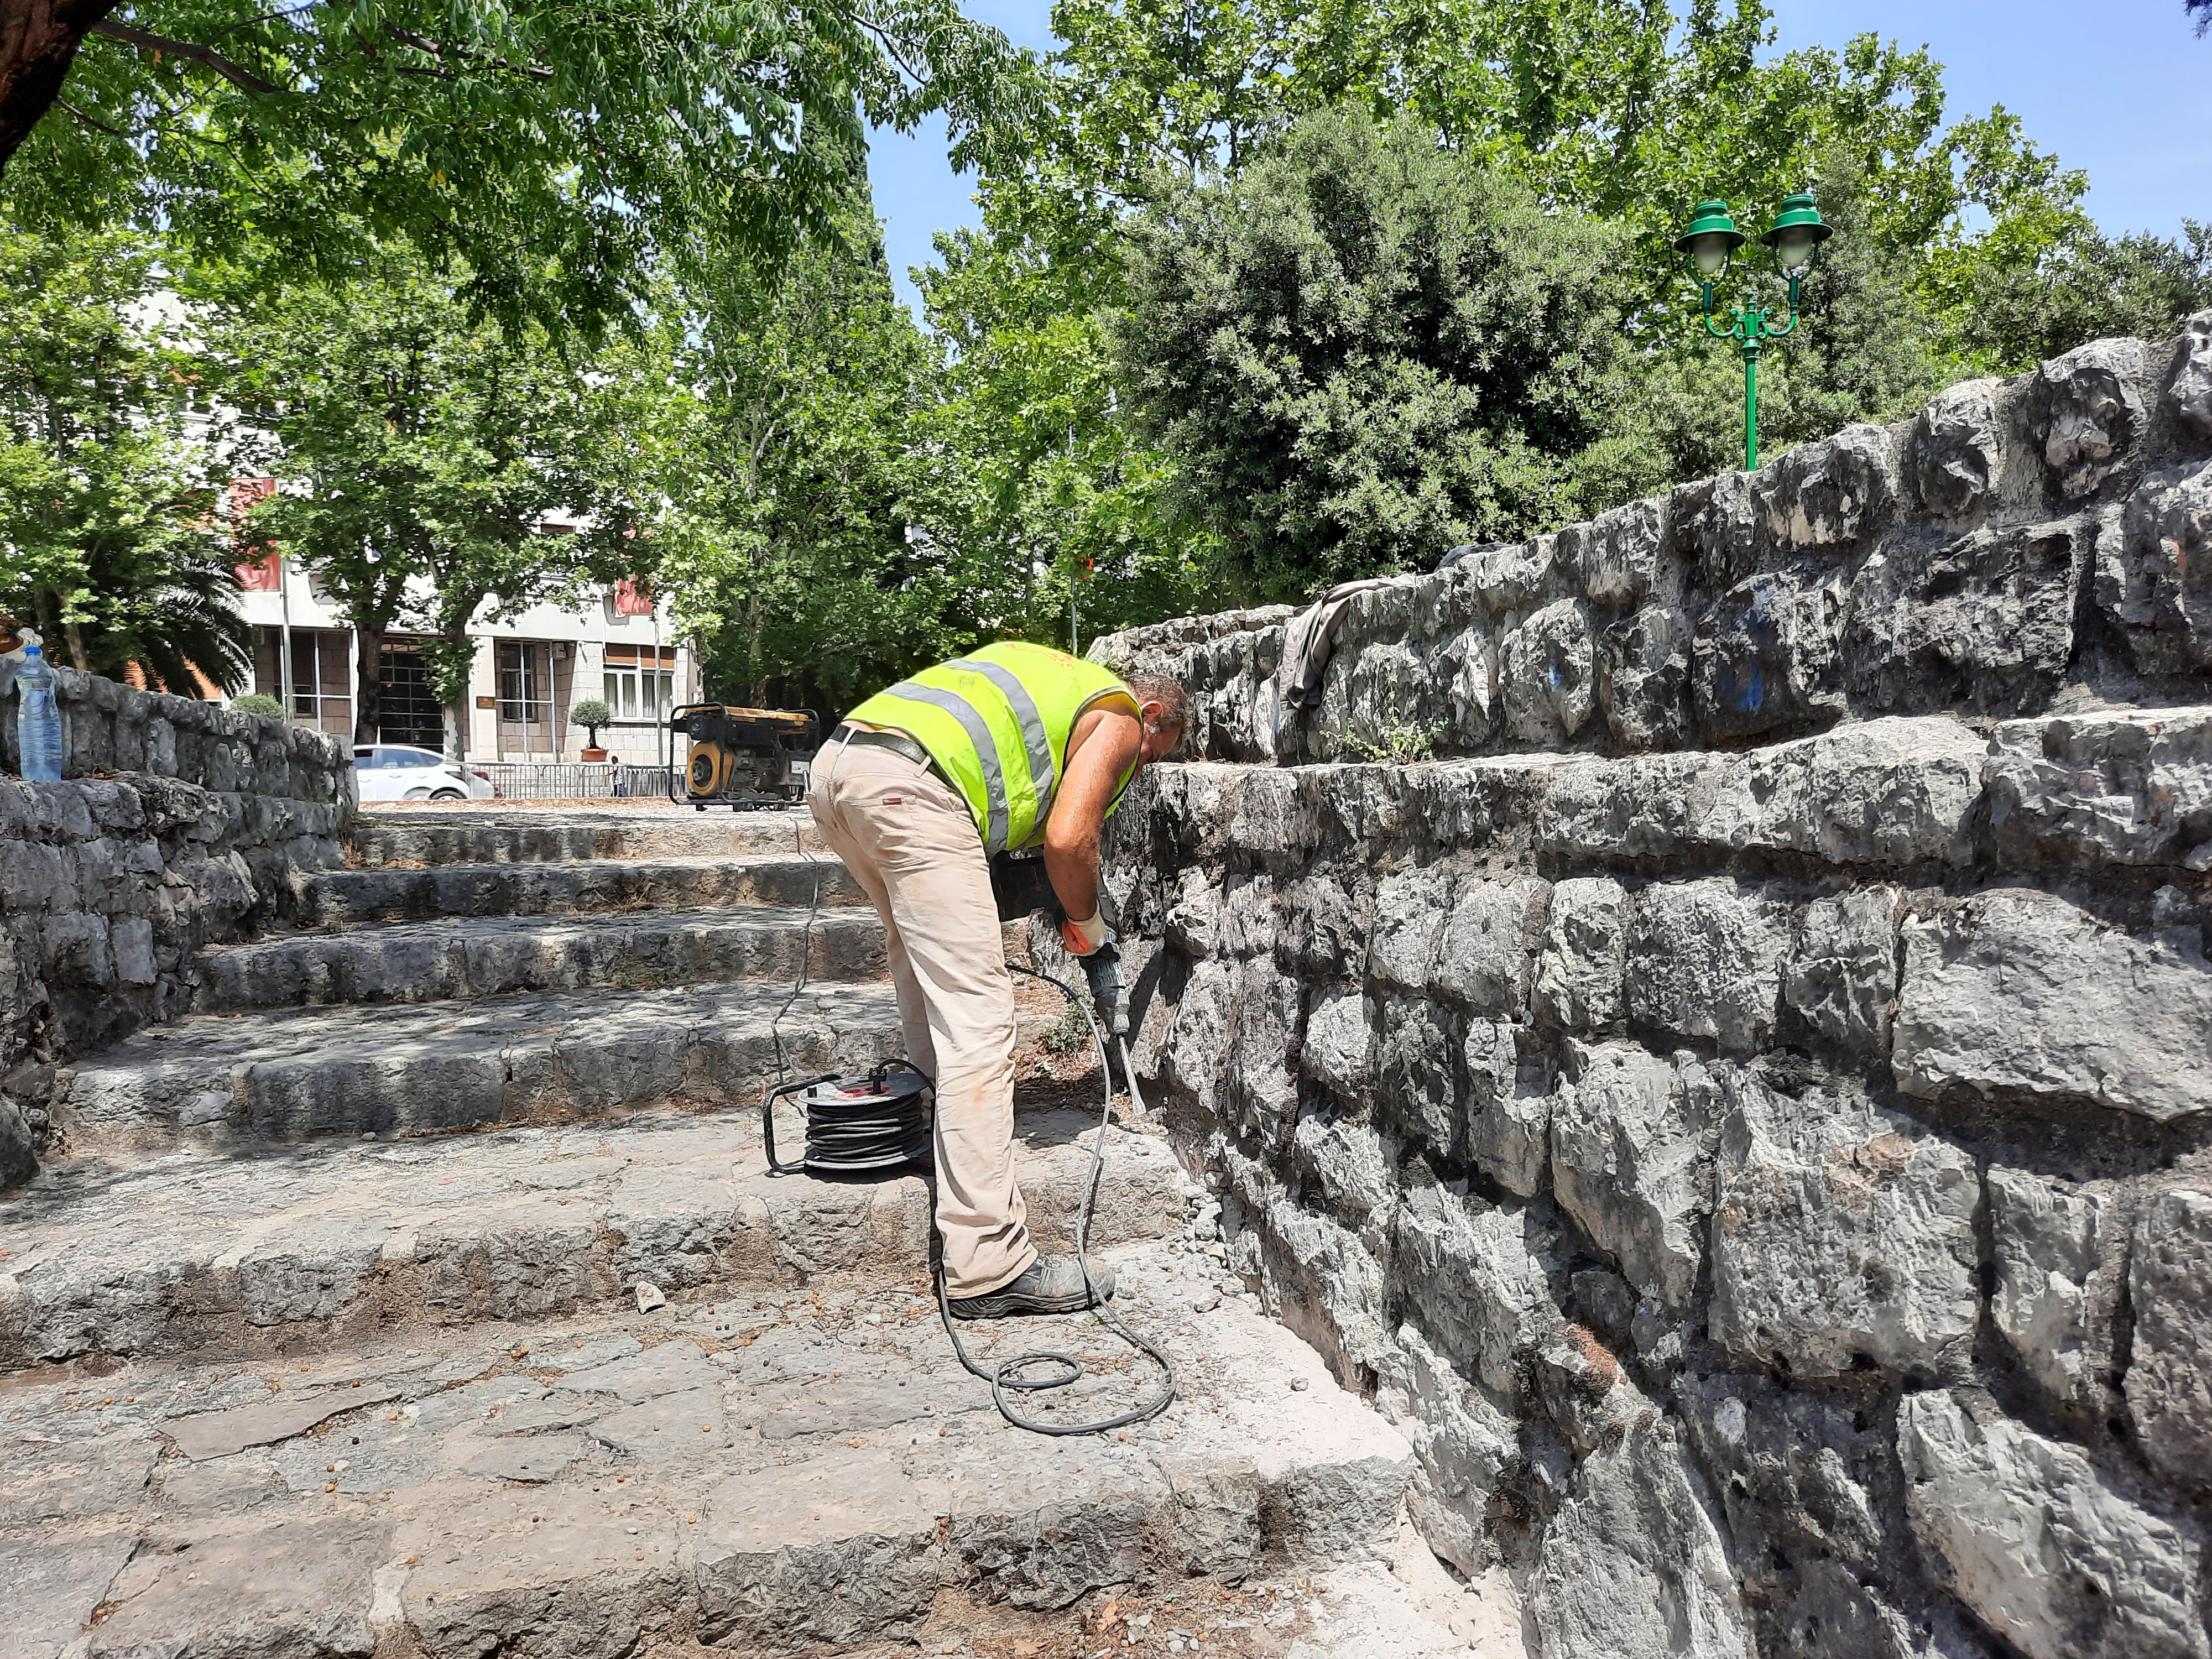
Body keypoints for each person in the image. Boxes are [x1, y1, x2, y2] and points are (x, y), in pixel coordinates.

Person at [806, 641, 1188, 1318]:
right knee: (979, 1025)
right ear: (1154, 712)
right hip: (913, 789)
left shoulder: (1054, 675)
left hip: (841, 769)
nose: (1138, 767)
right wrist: (1092, 934)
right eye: (1152, 757)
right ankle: (989, 1263)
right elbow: (1071, 839)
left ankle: (935, 1139)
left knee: (924, 980)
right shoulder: (1124, 713)